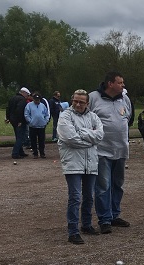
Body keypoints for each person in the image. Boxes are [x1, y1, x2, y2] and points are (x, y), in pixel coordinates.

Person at [57, 89, 104, 244]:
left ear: (87, 103)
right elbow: (70, 138)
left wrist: (81, 132)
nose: (77, 104)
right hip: (72, 163)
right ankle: (73, 231)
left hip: (90, 162)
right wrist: (90, 137)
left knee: (89, 196)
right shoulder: (65, 116)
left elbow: (100, 136)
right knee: (75, 197)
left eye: (81, 102)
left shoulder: (93, 116)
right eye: (75, 101)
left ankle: (86, 224)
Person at [88, 71, 132, 233]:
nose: (123, 86)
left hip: (120, 149)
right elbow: (86, 119)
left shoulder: (124, 99)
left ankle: (115, 214)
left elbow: (128, 117)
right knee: (103, 186)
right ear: (110, 84)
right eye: (120, 83)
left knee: (117, 184)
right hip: (101, 150)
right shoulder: (93, 98)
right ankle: (104, 219)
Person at [7, 87, 31, 159]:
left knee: (18, 136)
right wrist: (20, 121)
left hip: (12, 120)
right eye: (27, 94)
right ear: (24, 93)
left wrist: (8, 118)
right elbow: (20, 110)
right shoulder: (22, 100)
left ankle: (21, 152)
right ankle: (15, 153)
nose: (27, 96)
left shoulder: (12, 98)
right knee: (21, 137)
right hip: (19, 121)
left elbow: (8, 108)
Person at [24, 92, 51, 158]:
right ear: (33, 99)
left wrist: (45, 121)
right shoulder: (29, 105)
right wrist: (30, 121)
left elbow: (46, 114)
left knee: (41, 140)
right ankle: (35, 153)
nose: (37, 101)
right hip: (33, 126)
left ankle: (42, 153)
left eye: (38, 99)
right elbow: (26, 114)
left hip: (41, 126)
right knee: (33, 140)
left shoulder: (42, 105)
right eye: (35, 99)